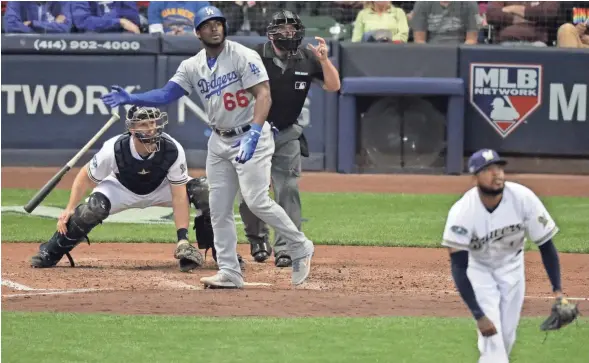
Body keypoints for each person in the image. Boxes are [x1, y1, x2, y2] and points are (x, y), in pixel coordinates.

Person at [100, 6, 315, 289]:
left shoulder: (242, 55)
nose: (215, 28)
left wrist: (254, 132)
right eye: (208, 24)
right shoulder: (193, 66)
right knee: (218, 208)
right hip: (219, 141)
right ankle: (229, 271)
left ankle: (300, 245)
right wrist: (132, 96)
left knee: (256, 199)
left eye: (219, 23)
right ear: (198, 31)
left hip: (250, 135)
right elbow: (167, 93)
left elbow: (263, 94)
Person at [29, 106, 218, 273]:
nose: (151, 128)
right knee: (91, 210)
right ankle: (51, 251)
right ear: (132, 129)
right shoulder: (114, 149)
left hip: (162, 187)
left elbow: (178, 196)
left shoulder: (172, 149)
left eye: (153, 122)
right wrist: (69, 208)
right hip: (121, 188)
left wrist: (182, 239)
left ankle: (222, 252)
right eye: (144, 124)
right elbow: (84, 176)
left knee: (204, 190)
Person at [442, 149, 567, 363]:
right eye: (489, 170)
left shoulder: (523, 198)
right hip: (478, 271)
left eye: (499, 168)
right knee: (493, 344)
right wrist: (478, 314)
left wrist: (558, 291)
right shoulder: (462, 212)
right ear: (475, 177)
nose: (497, 174)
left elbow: (546, 246)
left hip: (513, 269)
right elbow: (459, 267)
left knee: (506, 340)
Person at [239, 10, 340, 268]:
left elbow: (333, 85)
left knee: (288, 189)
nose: (288, 34)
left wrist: (325, 60)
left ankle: (287, 247)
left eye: (292, 29)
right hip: (256, 133)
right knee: (252, 191)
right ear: (272, 34)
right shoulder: (256, 56)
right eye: (283, 30)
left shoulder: (307, 56)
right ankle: (258, 239)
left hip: (287, 132)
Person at [485, 1, 559, 46]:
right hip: (505, 42)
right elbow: (491, 14)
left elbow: (549, 12)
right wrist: (515, 18)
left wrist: (513, 8)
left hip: (536, 42)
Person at [411, 1, 479, 44]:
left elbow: (471, 39)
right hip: (430, 52)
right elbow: (419, 40)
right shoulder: (422, 3)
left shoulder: (470, 3)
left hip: (459, 53)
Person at [2, 1, 72, 33]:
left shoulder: (62, 2)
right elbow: (10, 26)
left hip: (54, 49)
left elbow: (65, 27)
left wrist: (32, 24)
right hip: (25, 47)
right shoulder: (16, 2)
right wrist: (50, 28)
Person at [70, 1, 140, 33]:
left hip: (120, 39)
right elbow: (83, 22)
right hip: (91, 42)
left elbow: (132, 20)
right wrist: (118, 22)